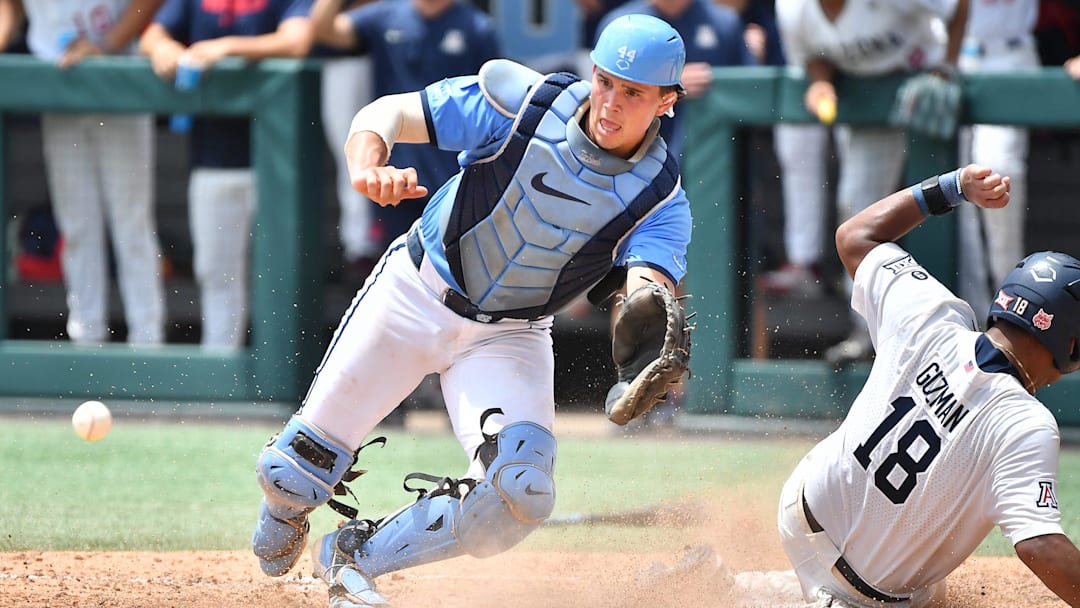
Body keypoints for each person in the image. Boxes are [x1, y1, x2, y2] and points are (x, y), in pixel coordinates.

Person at [250, 13, 693, 608]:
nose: (610, 102)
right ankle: (287, 507)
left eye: (633, 93)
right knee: (291, 476)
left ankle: (356, 555)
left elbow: (649, 283)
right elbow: (389, 113)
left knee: (523, 492)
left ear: (667, 102)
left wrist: (647, 313)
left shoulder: (660, 197)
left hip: (510, 335)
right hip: (415, 291)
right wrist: (366, 164)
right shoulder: (525, 105)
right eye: (605, 81)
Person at [778, 163, 1080, 607]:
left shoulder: (933, 314)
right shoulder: (1026, 423)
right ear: (1070, 345)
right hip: (862, 594)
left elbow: (855, 237)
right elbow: (1040, 546)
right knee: (924, 593)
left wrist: (952, 187)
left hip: (798, 509)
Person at [775, 0, 968, 364]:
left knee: (964, 211)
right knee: (859, 209)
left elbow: (957, 7)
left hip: (926, 82)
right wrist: (820, 83)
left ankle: (968, 332)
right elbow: (815, 52)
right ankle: (866, 332)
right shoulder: (792, 8)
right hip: (869, 100)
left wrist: (946, 67)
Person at [138, 0, 314, 350]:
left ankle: (282, 372)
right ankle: (221, 369)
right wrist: (165, 49)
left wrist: (226, 47)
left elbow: (296, 42)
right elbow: (152, 36)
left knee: (279, 275)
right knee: (216, 270)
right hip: (213, 155)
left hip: (277, 161)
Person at [0, 0, 167, 346]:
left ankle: (147, 342)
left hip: (119, 80)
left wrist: (106, 46)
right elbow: (10, 8)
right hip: (58, 81)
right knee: (75, 223)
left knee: (131, 223)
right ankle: (86, 340)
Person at [309, 0, 500, 268]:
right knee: (392, 268)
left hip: (455, 179)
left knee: (454, 278)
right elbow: (324, 31)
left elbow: (491, 103)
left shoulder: (477, 26)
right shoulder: (384, 15)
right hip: (396, 177)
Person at [956, 0, 1040, 322]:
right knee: (953, 190)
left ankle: (1011, 303)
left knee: (996, 169)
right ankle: (972, 315)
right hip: (952, 57)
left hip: (1009, 53)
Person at [598, 0, 755, 161]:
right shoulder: (623, 25)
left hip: (710, 161)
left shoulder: (724, 22)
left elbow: (752, 96)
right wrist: (669, 82)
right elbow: (601, 92)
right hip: (634, 158)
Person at [315, 0, 379, 285]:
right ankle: (361, 245)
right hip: (350, 63)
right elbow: (320, 29)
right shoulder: (365, 20)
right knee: (357, 156)